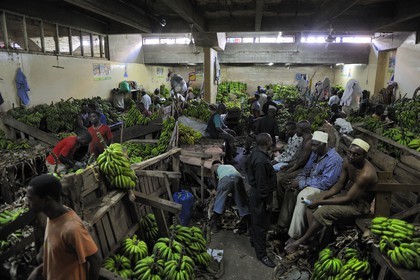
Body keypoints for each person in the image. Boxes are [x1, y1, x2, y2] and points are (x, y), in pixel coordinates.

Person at [285, 139, 378, 254]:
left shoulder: (366, 174)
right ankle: (313, 240)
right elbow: (339, 184)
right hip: (346, 195)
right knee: (310, 201)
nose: (351, 156)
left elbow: (349, 199)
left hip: (359, 205)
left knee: (322, 212)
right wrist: (323, 197)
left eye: (356, 154)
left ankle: (300, 241)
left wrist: (321, 202)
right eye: (349, 152)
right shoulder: (347, 161)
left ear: (365, 155)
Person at [27, 174, 102, 280]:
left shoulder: (72, 229)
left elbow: (96, 260)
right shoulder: (51, 217)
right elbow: (59, 257)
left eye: (30, 199)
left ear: (47, 200)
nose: (28, 203)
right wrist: (38, 270)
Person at [277, 131, 343, 244]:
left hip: (324, 188)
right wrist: (298, 180)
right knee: (291, 190)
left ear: (324, 144)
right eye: (312, 144)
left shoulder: (334, 159)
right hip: (311, 182)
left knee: (303, 197)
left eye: (316, 145)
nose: (312, 147)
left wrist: (302, 183)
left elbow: (326, 182)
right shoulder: (315, 152)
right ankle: (284, 225)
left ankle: (295, 235)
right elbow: (306, 170)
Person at [247, 133, 277, 268]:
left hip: (256, 193)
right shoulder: (261, 161)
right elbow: (262, 185)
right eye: (270, 139)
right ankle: (262, 255)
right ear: (266, 142)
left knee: (256, 220)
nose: (272, 141)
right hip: (260, 196)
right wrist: (268, 201)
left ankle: (254, 241)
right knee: (261, 225)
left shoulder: (256, 153)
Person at [275, 120, 312, 208]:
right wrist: (288, 166)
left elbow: (300, 162)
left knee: (282, 178)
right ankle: (281, 204)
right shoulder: (304, 139)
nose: (296, 131)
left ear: (302, 129)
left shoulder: (308, 142)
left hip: (305, 169)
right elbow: (299, 159)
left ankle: (283, 205)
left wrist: (289, 170)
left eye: (297, 128)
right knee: (279, 174)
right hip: (301, 166)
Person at [210, 160, 250, 233]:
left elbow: (214, 179)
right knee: (242, 203)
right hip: (238, 178)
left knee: (219, 203)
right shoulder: (229, 166)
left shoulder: (213, 167)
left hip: (226, 179)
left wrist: (216, 189)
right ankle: (248, 228)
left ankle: (214, 225)